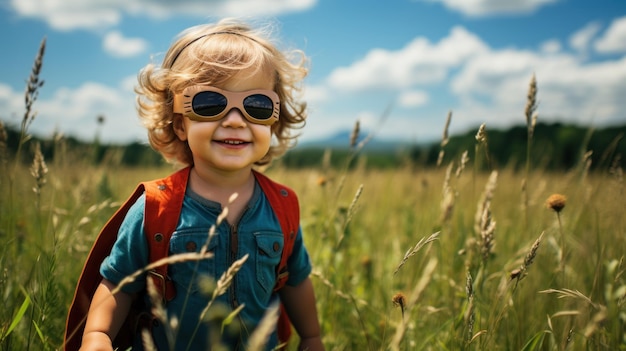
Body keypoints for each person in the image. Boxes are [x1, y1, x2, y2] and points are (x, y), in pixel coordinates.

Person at [79, 18, 324, 351]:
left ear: (274, 119)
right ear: (180, 124)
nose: (235, 120)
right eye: (210, 104)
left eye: (257, 105)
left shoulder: (282, 205)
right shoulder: (156, 207)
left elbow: (295, 280)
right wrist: (98, 337)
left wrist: (311, 337)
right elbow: (119, 282)